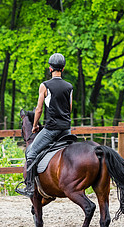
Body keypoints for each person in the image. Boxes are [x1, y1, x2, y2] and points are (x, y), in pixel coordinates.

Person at [16, 53, 73, 197]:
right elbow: (70, 107)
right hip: (66, 130)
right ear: (63, 68)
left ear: (50, 68)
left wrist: (35, 125)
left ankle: (29, 187)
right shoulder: (69, 86)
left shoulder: (45, 85)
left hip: (52, 129)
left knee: (30, 152)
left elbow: (39, 109)